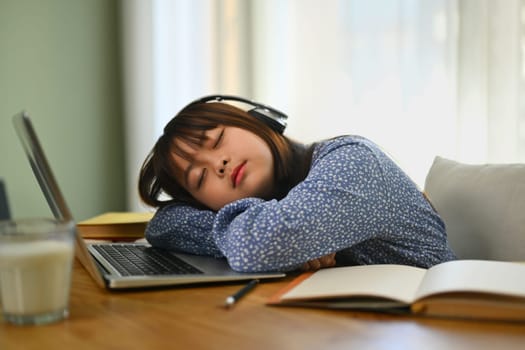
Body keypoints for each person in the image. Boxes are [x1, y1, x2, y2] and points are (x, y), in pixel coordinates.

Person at [138, 96, 456, 273]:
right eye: (200, 178)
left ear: (258, 122)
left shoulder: (352, 162)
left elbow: (256, 245)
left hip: (452, 326)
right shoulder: (284, 200)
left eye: (218, 140)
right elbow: (164, 225)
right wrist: (285, 241)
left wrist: (277, 240)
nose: (218, 164)